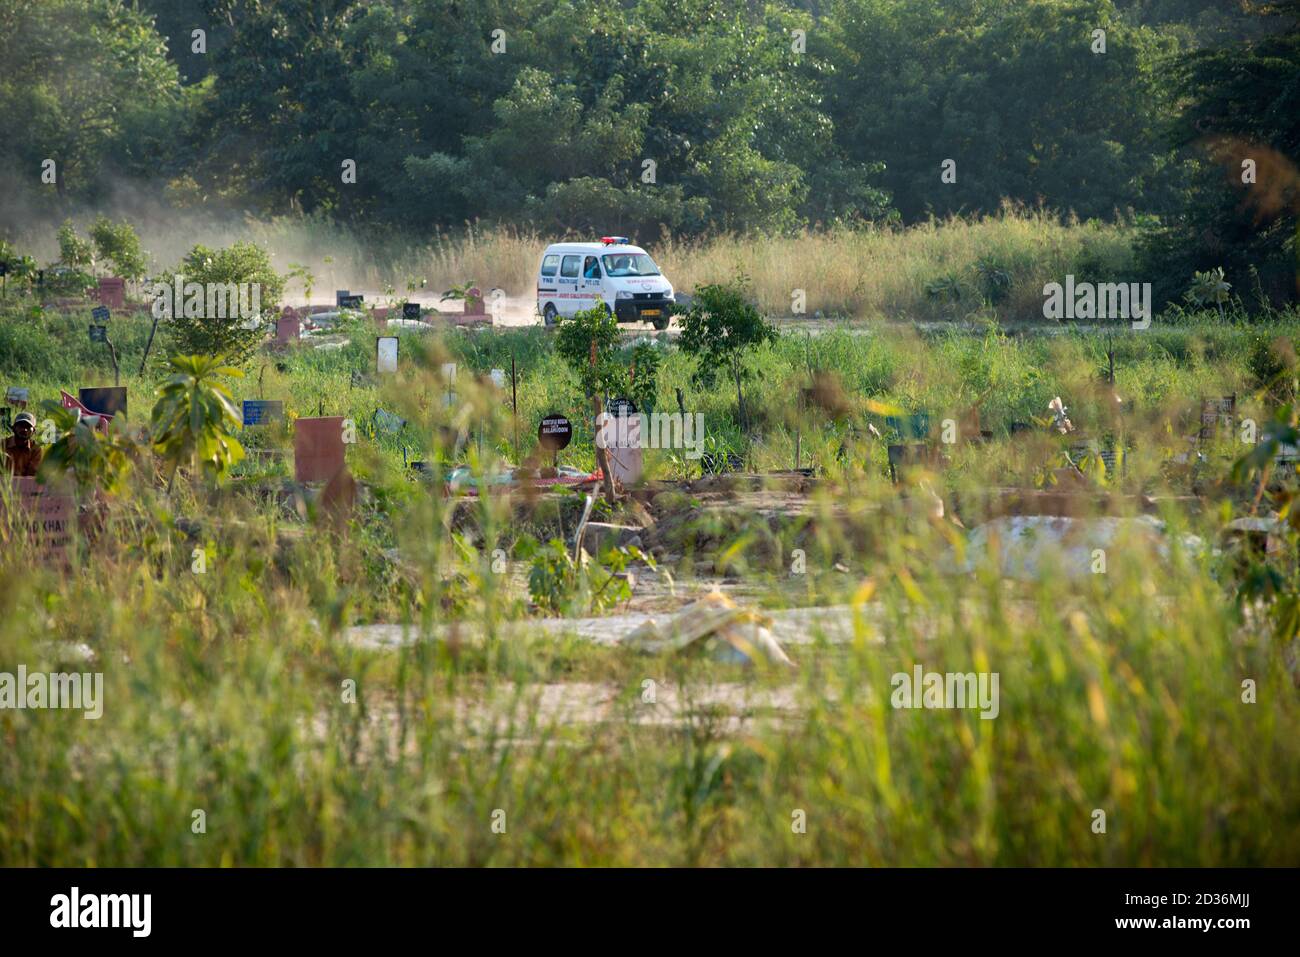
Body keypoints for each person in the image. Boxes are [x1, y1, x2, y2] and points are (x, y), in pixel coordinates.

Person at [3, 411, 43, 477]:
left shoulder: (35, 449)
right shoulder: (2, 445)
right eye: (21, 426)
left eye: (28, 427)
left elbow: (32, 474)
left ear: (33, 431)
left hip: (25, 485)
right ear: (13, 428)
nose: (25, 430)